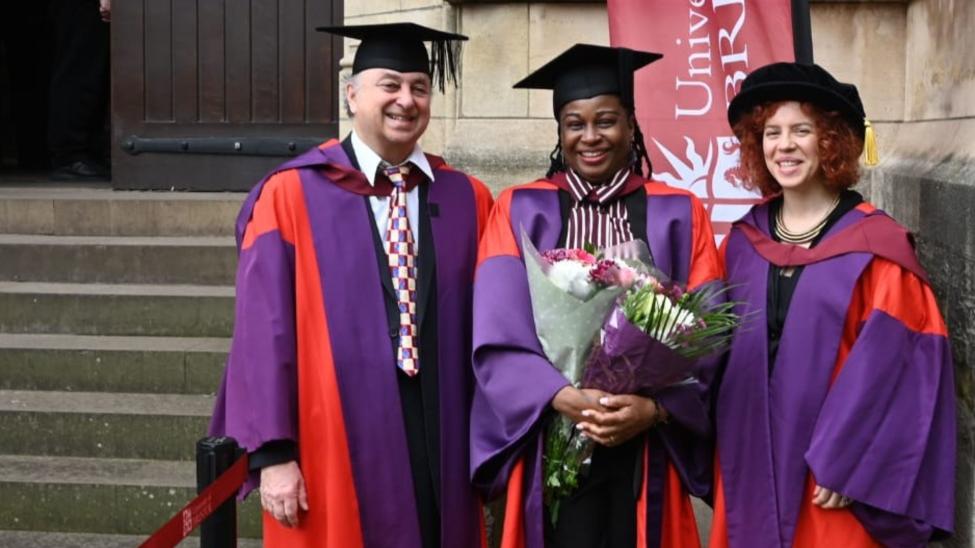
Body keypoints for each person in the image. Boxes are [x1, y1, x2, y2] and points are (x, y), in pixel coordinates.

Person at [209, 22, 493, 548]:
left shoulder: (467, 199)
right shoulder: (290, 195)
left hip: (442, 438)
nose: (405, 100)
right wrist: (273, 456)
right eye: (389, 84)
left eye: (419, 87)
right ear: (352, 93)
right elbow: (260, 334)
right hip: (332, 437)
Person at [470, 44, 723, 548]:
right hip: (552, 433)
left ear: (631, 124)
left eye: (605, 121)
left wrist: (655, 410)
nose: (590, 137)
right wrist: (561, 397)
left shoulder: (679, 211)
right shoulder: (519, 207)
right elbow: (497, 325)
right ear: (560, 131)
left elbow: (711, 331)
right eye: (574, 123)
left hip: (645, 442)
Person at [711, 62, 956, 547]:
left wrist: (852, 461)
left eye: (802, 130)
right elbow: (715, 349)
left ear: (831, 142)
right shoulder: (742, 241)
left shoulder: (876, 246)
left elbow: (898, 366)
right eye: (771, 132)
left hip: (833, 480)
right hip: (749, 464)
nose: (784, 145)